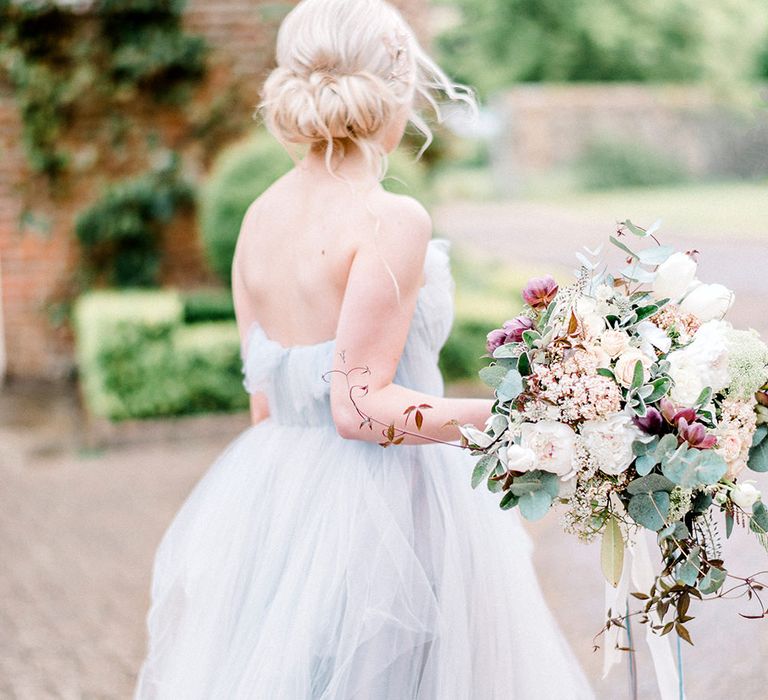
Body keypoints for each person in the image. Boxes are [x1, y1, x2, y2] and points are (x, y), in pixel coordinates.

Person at [135, 1, 594, 697]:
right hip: (389, 508)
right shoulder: (390, 217)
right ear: (399, 77)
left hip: (277, 500)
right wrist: (516, 419)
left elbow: (265, 403)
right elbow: (359, 408)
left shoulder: (259, 215)